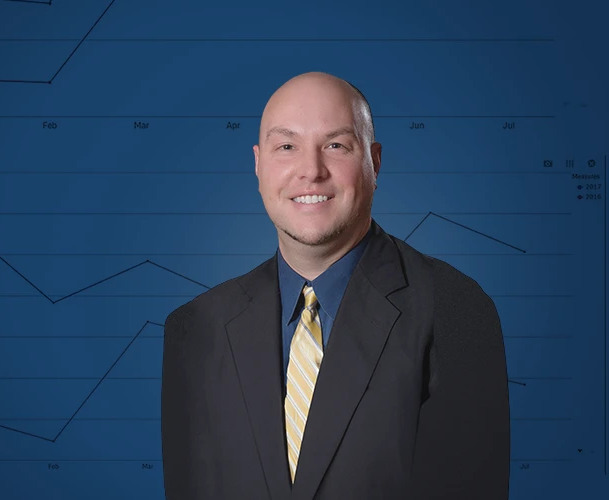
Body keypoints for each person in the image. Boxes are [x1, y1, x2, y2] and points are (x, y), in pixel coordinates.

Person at [161, 71, 510, 500]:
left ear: (374, 162)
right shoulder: (196, 328)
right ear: (258, 164)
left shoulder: (455, 310)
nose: (311, 170)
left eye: (336, 146)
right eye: (286, 146)